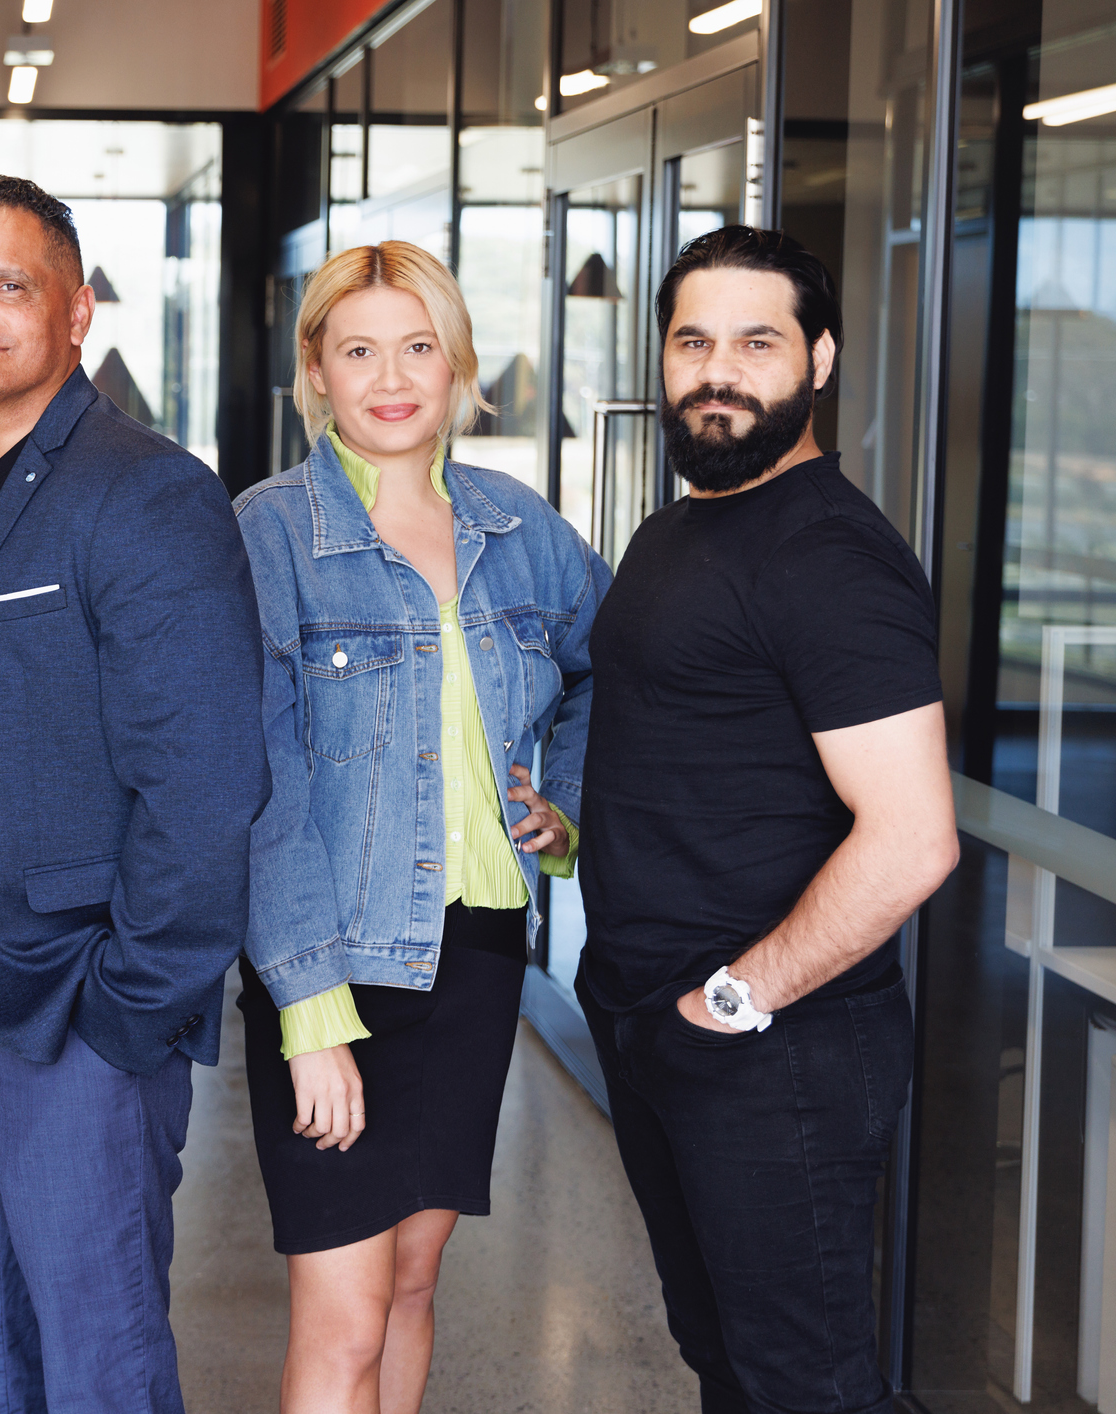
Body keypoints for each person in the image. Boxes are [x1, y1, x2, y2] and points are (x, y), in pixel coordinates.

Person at [0, 174, 268, 1413]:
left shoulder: (146, 491)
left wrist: (126, 1018)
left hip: (70, 1018)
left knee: (99, 1367)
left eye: (6, 285)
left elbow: (204, 784)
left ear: (74, 311)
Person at [577, 225, 959, 1414]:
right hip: (662, 1021)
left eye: (756, 340)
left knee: (809, 1385)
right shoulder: (680, 525)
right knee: (729, 1363)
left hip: (770, 1044)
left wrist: (730, 1003)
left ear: (820, 357)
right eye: (692, 339)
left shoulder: (827, 554)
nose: (717, 370)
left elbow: (910, 837)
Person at [232, 240, 609, 1414]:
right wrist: (309, 1012)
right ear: (316, 369)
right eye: (357, 351)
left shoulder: (516, 526)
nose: (389, 378)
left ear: (454, 366)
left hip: (475, 953)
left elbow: (611, 668)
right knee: (338, 1315)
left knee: (407, 1284)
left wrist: (568, 810)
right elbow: (260, 782)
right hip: (333, 960)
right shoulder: (267, 532)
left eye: (415, 348)